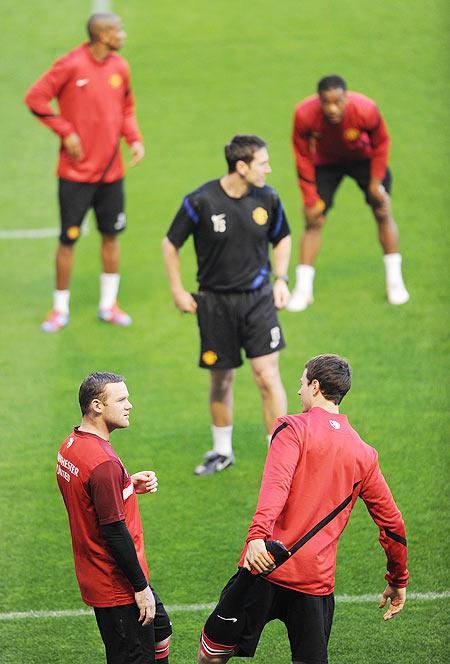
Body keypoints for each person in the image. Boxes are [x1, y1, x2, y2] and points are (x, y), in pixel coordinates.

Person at [198, 354, 408, 663]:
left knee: (213, 655)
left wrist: (257, 536)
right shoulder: (365, 454)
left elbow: (276, 487)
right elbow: (392, 524)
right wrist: (397, 579)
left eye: (300, 384)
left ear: (315, 386)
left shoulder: (291, 427)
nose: (298, 392)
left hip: (262, 564)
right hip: (315, 582)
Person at [162, 135, 291, 476]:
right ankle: (222, 451)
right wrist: (177, 290)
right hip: (215, 303)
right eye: (263, 163)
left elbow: (282, 238)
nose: (269, 169)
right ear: (242, 166)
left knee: (267, 375)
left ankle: (279, 456)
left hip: (258, 300)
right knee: (222, 380)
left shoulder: (268, 197)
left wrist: (281, 278)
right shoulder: (201, 201)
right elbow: (170, 243)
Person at [25, 13, 145, 332]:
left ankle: (109, 305)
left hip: (111, 174)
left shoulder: (121, 67)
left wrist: (133, 139)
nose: (123, 34)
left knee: (111, 235)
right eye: (118, 30)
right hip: (75, 175)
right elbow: (35, 98)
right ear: (103, 35)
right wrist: (65, 130)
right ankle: (59, 309)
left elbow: (127, 108)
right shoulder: (70, 65)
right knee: (69, 239)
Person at [56, 372, 172, 663]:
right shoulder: (103, 463)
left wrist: (126, 487)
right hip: (118, 582)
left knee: (161, 631)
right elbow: (113, 532)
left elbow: (87, 499)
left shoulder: (72, 445)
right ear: (97, 406)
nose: (129, 405)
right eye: (121, 400)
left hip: (103, 573)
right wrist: (140, 588)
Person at [287, 75, 409, 312]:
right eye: (326, 103)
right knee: (314, 220)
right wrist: (309, 198)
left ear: (347, 97)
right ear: (319, 101)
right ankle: (303, 290)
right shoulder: (304, 114)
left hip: (363, 161)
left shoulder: (366, 109)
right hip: (325, 164)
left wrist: (375, 181)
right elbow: (302, 156)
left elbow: (381, 143)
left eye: (338, 102)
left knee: (382, 210)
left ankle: (395, 282)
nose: (333, 109)